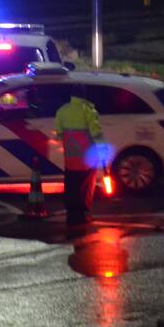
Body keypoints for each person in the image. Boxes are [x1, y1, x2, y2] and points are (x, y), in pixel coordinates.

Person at [54, 84, 104, 225]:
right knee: (86, 188)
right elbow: (96, 133)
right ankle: (82, 215)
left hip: (70, 159)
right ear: (84, 95)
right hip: (87, 160)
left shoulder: (62, 111)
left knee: (71, 186)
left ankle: (71, 214)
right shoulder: (89, 111)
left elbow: (58, 135)